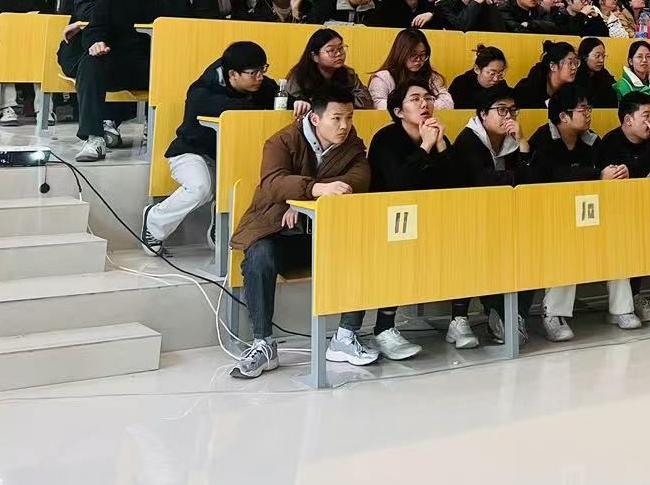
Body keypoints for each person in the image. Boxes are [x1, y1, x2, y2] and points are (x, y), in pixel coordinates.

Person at [229, 96, 371, 378]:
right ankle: (263, 343)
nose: (344, 125)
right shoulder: (282, 141)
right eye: (336, 118)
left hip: (325, 234)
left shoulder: (353, 145)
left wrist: (302, 197)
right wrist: (314, 190)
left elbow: (359, 180)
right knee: (259, 255)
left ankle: (345, 337)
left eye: (349, 118)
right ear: (316, 119)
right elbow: (272, 183)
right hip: (279, 232)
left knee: (363, 248)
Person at [525, 87, 650, 338]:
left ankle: (621, 309)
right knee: (565, 246)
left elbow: (604, 169)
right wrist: (597, 176)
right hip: (552, 218)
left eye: (589, 108)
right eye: (582, 109)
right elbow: (549, 175)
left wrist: (616, 172)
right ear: (563, 116)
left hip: (590, 213)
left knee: (618, 239)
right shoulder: (543, 139)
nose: (588, 113)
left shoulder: (592, 140)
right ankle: (553, 314)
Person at [348, 77, 456, 359]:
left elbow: (456, 183)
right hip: (385, 221)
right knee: (396, 253)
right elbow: (399, 183)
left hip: (427, 218)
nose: (424, 104)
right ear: (398, 111)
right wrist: (426, 147)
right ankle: (383, 328)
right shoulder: (385, 138)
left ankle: (460, 319)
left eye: (428, 98)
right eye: (415, 99)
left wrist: (441, 145)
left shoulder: (436, 135)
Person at [143, 41, 276, 250]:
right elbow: (235, 109)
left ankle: (219, 220)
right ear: (232, 74)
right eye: (253, 73)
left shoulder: (262, 86)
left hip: (227, 157)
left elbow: (282, 99)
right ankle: (154, 221)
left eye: (263, 70)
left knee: (248, 183)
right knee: (200, 187)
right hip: (191, 152)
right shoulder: (202, 92)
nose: (260, 77)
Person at [74, 0, 190, 160]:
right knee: (90, 62)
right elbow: (97, 26)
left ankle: (165, 133)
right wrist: (96, 42)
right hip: (122, 62)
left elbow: (182, 26)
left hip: (161, 65)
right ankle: (94, 138)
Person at [444, 90, 535, 347]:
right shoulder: (468, 140)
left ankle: (514, 315)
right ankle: (460, 318)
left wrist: (523, 142)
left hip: (506, 216)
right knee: (473, 251)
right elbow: (481, 180)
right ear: (483, 114)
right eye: (502, 110)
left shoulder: (512, 141)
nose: (509, 116)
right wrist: (513, 178)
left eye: (513, 111)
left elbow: (531, 179)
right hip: (466, 217)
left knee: (530, 247)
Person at [283, 27, 371, 111]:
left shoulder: (348, 74)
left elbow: (366, 102)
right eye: (331, 50)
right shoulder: (299, 76)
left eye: (341, 48)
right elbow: (287, 103)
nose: (338, 54)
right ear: (314, 56)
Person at [367, 28, 449, 114]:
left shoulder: (432, 77)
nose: (418, 60)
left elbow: (447, 103)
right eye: (413, 55)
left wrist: (410, 106)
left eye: (422, 55)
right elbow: (379, 105)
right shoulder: (383, 77)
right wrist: (424, 105)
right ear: (401, 53)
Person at [447, 44, 509, 109]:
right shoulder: (461, 84)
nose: (496, 79)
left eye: (500, 74)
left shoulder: (502, 87)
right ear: (477, 69)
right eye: (492, 73)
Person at [619, 40, 650, 106]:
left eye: (648, 56)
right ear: (631, 61)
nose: (644, 60)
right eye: (639, 56)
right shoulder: (621, 87)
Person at [577, 36, 618, 108]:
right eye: (597, 56)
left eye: (603, 56)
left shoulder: (606, 76)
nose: (601, 60)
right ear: (585, 57)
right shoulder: (575, 77)